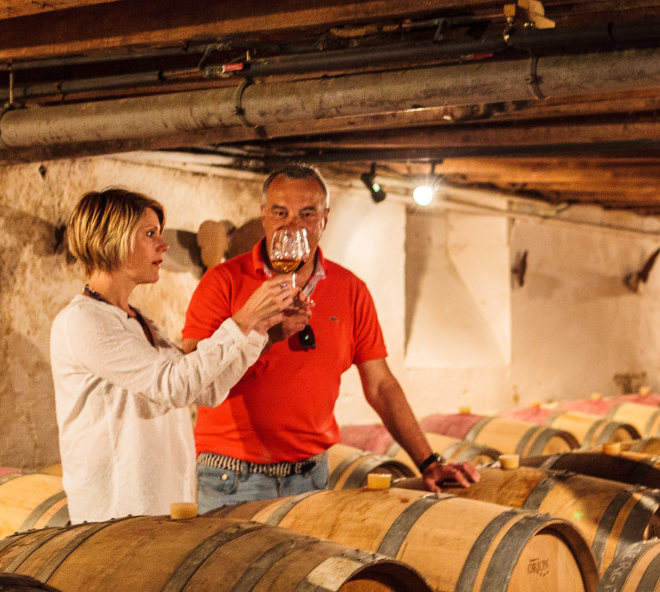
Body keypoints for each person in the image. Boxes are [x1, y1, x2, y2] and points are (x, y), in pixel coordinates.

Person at [182, 165, 478, 511]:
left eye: (307, 213)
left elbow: (380, 385)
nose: (292, 225)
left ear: (325, 218)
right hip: (232, 478)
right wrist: (267, 336)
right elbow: (193, 374)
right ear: (263, 215)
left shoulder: (350, 289)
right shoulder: (222, 282)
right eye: (280, 212)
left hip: (312, 476)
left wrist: (428, 462)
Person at [51, 188, 296, 523]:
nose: (163, 246)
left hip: (161, 507)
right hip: (116, 517)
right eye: (150, 234)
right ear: (113, 240)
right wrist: (242, 320)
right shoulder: (83, 321)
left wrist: (259, 329)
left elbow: (205, 390)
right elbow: (173, 386)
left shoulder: (136, 320)